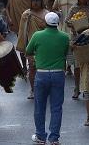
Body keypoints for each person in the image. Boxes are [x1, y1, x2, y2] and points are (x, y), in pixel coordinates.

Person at [25, 11, 69, 145]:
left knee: (40, 106)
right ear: (58, 23)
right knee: (56, 107)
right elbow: (66, 53)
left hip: (42, 74)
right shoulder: (65, 37)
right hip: (58, 74)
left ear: (45, 23)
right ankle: (54, 138)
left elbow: (27, 51)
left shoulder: (37, 35)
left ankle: (40, 136)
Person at [17, 0, 49, 99]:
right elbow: (22, 32)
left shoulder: (47, 14)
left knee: (44, 69)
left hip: (45, 46)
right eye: (33, 1)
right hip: (32, 45)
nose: (35, 3)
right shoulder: (27, 14)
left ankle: (44, 89)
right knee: (32, 68)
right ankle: (33, 89)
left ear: (41, 2)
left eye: (37, 1)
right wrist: (24, 47)